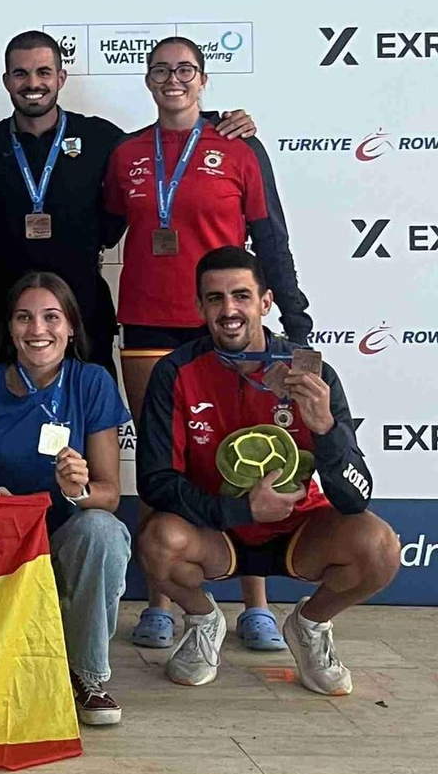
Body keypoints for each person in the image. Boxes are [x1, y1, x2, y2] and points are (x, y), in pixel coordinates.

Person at [103, 36, 309, 653]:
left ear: (204, 79)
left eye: (185, 70)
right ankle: (162, 603)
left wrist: (294, 319)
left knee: (247, 448)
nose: (174, 80)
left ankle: (256, 602)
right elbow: (107, 222)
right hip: (147, 323)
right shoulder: (126, 154)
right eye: (162, 70)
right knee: (163, 457)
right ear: (146, 79)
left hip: (229, 321)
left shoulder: (240, 148)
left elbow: (271, 240)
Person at [136, 247, 398, 695]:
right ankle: (203, 622)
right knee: (158, 541)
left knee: (380, 547)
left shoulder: (311, 373)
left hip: (301, 532)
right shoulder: (175, 372)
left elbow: (356, 498)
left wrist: (326, 428)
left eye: (241, 295)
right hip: (215, 530)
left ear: (266, 302)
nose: (229, 310)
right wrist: (242, 508)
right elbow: (156, 482)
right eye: (215, 299)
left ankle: (311, 626)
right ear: (200, 307)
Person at [0, 29, 260, 370]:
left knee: (93, 417)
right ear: (6, 80)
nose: (33, 83)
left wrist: (216, 120)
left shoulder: (103, 139)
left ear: (61, 78)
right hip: (9, 315)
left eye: (44, 72)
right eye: (21, 73)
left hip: (85, 314)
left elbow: (169, 137)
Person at [0, 271, 134, 727]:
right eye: (24, 318)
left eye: (51, 317)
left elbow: (111, 494)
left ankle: (87, 677)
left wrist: (79, 491)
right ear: (10, 328)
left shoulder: (92, 383)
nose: (38, 330)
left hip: (62, 540)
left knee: (102, 531)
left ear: (71, 327)